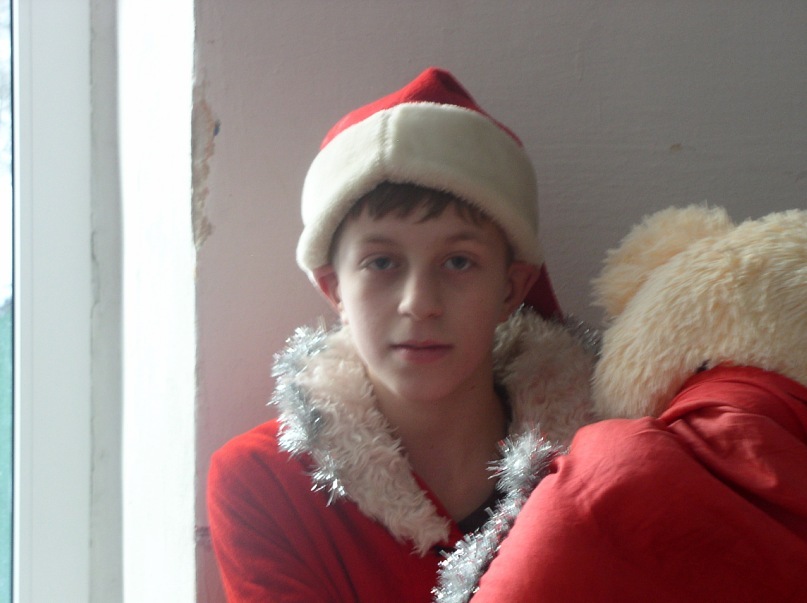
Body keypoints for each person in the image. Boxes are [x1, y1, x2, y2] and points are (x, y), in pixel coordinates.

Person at [207, 67, 596, 602]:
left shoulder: (597, 463)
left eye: (458, 261)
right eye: (382, 262)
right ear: (334, 289)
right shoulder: (264, 483)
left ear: (511, 288)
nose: (420, 303)